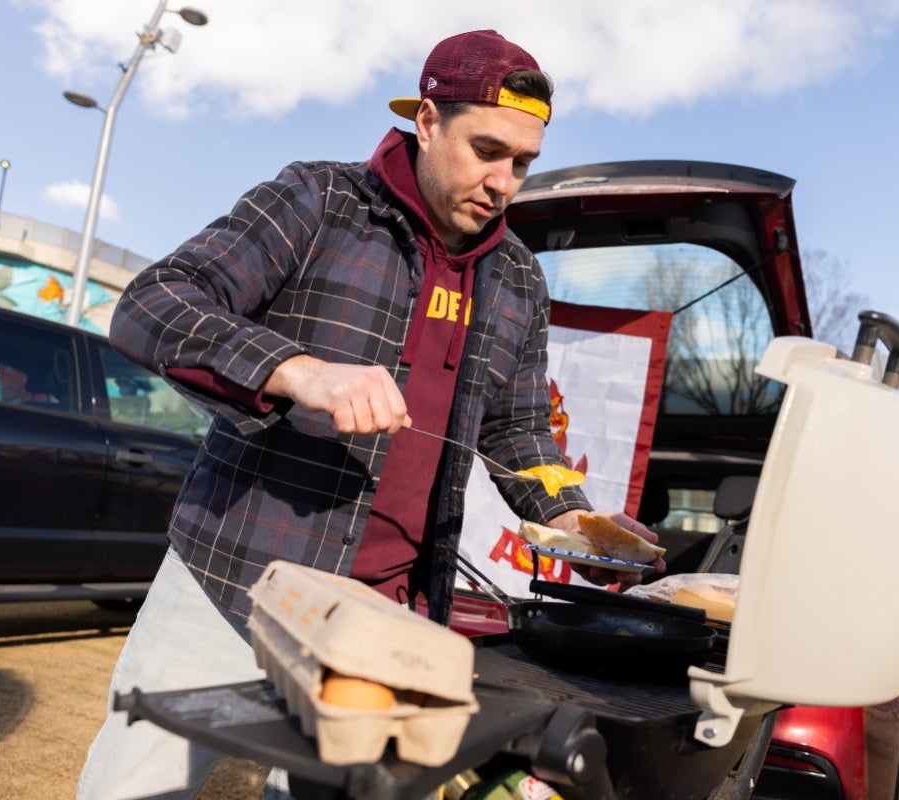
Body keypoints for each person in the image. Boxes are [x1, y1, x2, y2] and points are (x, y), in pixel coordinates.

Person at [77, 29, 663, 799]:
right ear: (426, 120)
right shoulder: (320, 201)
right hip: (235, 575)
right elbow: (153, 305)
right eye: (487, 149)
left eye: (522, 162)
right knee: (134, 789)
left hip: (390, 613)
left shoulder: (519, 277)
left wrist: (576, 520)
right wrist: (296, 370)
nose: (504, 181)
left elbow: (519, 432)